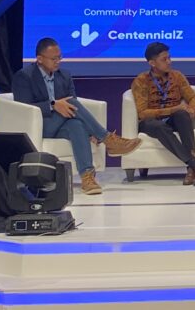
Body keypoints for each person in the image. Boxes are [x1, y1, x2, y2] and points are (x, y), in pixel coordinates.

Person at [11, 37, 141, 195]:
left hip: (61, 125)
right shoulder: (24, 76)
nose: (58, 62)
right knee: (72, 103)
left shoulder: (64, 75)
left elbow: (73, 109)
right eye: (54, 59)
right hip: (39, 125)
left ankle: (87, 177)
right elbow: (23, 107)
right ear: (39, 59)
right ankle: (107, 139)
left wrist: (89, 131)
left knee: (76, 125)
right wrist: (52, 105)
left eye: (59, 57)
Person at [130, 41, 195, 186]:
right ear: (152, 63)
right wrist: (172, 109)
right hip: (151, 123)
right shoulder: (141, 81)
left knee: (182, 115)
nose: (169, 62)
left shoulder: (177, 76)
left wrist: (192, 110)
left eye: (169, 58)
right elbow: (142, 113)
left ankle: (191, 170)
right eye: (164, 59)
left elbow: (194, 98)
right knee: (160, 126)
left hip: (173, 119)